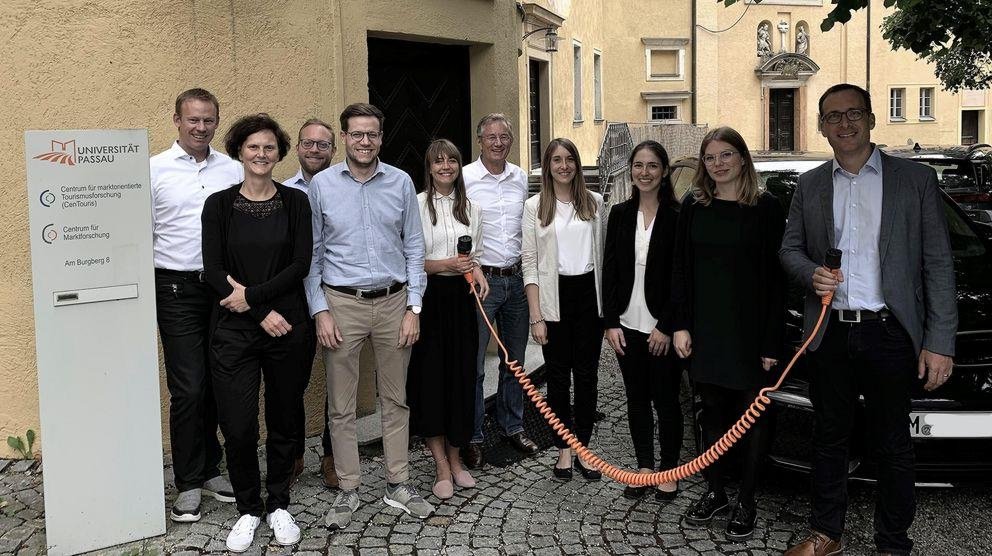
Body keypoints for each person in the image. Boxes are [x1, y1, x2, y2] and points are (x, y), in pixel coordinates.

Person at [780, 83, 957, 556]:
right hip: (830, 331)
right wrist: (810, 272)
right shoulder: (811, 184)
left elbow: (938, 263)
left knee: (893, 443)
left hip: (889, 332)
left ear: (872, 118)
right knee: (829, 437)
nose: (845, 123)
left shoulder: (914, 180)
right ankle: (826, 534)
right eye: (833, 116)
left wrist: (940, 340)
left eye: (853, 113)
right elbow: (789, 250)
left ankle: (893, 543)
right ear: (821, 127)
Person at [305, 103, 433, 530]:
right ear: (344, 137)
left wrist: (414, 307)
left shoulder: (400, 182)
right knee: (341, 407)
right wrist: (320, 310)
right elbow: (313, 256)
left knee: (395, 399)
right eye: (356, 134)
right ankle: (349, 489)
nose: (364, 141)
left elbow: (415, 247)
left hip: (395, 302)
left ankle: (398, 484)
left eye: (372, 134)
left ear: (381, 137)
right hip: (341, 305)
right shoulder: (321, 186)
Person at [201, 114, 312, 551]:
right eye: (253, 147)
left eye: (269, 147)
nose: (261, 154)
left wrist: (257, 300)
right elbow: (212, 270)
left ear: (278, 153)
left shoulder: (296, 203)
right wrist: (257, 309)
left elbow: (300, 265)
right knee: (240, 424)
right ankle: (248, 508)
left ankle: (279, 502)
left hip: (288, 327)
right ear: (239, 152)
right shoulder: (219, 205)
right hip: (234, 329)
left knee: (285, 417)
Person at [671, 126, 785, 541]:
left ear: (742, 158)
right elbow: (680, 270)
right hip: (705, 330)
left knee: (752, 419)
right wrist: (680, 324)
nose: (717, 164)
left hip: (750, 332)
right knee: (710, 414)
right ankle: (716, 491)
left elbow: (777, 280)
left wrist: (772, 341)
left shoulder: (766, 207)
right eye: (710, 157)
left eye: (725, 155)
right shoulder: (694, 205)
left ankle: (748, 500)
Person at [150, 88, 239, 523]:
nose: (200, 128)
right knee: (188, 387)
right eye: (192, 120)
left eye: (208, 120)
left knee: (218, 381)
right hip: (175, 289)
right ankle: (186, 481)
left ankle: (209, 469)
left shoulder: (233, 169)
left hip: (223, 290)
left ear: (216, 122)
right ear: (176, 120)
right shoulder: (153, 170)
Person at [407, 139, 490, 500]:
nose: (446, 167)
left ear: (459, 166)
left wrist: (480, 272)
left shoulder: (471, 207)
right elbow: (409, 260)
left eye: (452, 161)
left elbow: (476, 256)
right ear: (429, 167)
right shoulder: (416, 205)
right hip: (428, 299)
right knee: (432, 384)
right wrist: (445, 265)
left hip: (461, 301)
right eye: (438, 162)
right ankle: (440, 465)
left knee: (461, 381)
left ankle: (457, 461)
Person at [602, 140, 682, 500]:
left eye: (652, 166)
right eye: (638, 165)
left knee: (665, 399)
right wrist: (610, 322)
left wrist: (667, 324)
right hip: (625, 322)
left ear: (664, 172)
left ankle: (669, 468)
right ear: (631, 170)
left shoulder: (679, 216)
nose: (644, 172)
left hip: (661, 326)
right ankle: (645, 466)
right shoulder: (619, 213)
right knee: (636, 397)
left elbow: (683, 277)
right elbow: (609, 270)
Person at [521, 138, 605, 481]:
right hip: (554, 297)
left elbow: (604, 259)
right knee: (557, 378)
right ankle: (563, 451)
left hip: (589, 296)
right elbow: (529, 261)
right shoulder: (535, 207)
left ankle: (583, 448)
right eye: (557, 160)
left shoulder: (596, 204)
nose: (564, 166)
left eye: (570, 159)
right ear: (548, 165)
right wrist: (536, 315)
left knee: (586, 377)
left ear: (577, 164)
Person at [462, 113, 540, 468]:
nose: (497, 142)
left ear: (510, 140)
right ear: (480, 141)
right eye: (490, 136)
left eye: (503, 136)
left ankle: (512, 426)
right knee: (475, 363)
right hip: (483, 282)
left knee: (515, 361)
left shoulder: (521, 178)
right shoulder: (465, 177)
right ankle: (474, 436)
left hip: (517, 278)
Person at [283, 118, 338, 489]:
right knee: (291, 382)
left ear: (334, 150)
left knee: (339, 383)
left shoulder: (345, 188)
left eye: (323, 144)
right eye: (308, 143)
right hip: (294, 299)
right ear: (298, 147)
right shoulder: (282, 191)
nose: (315, 150)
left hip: (337, 296)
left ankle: (333, 457)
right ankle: (294, 454)